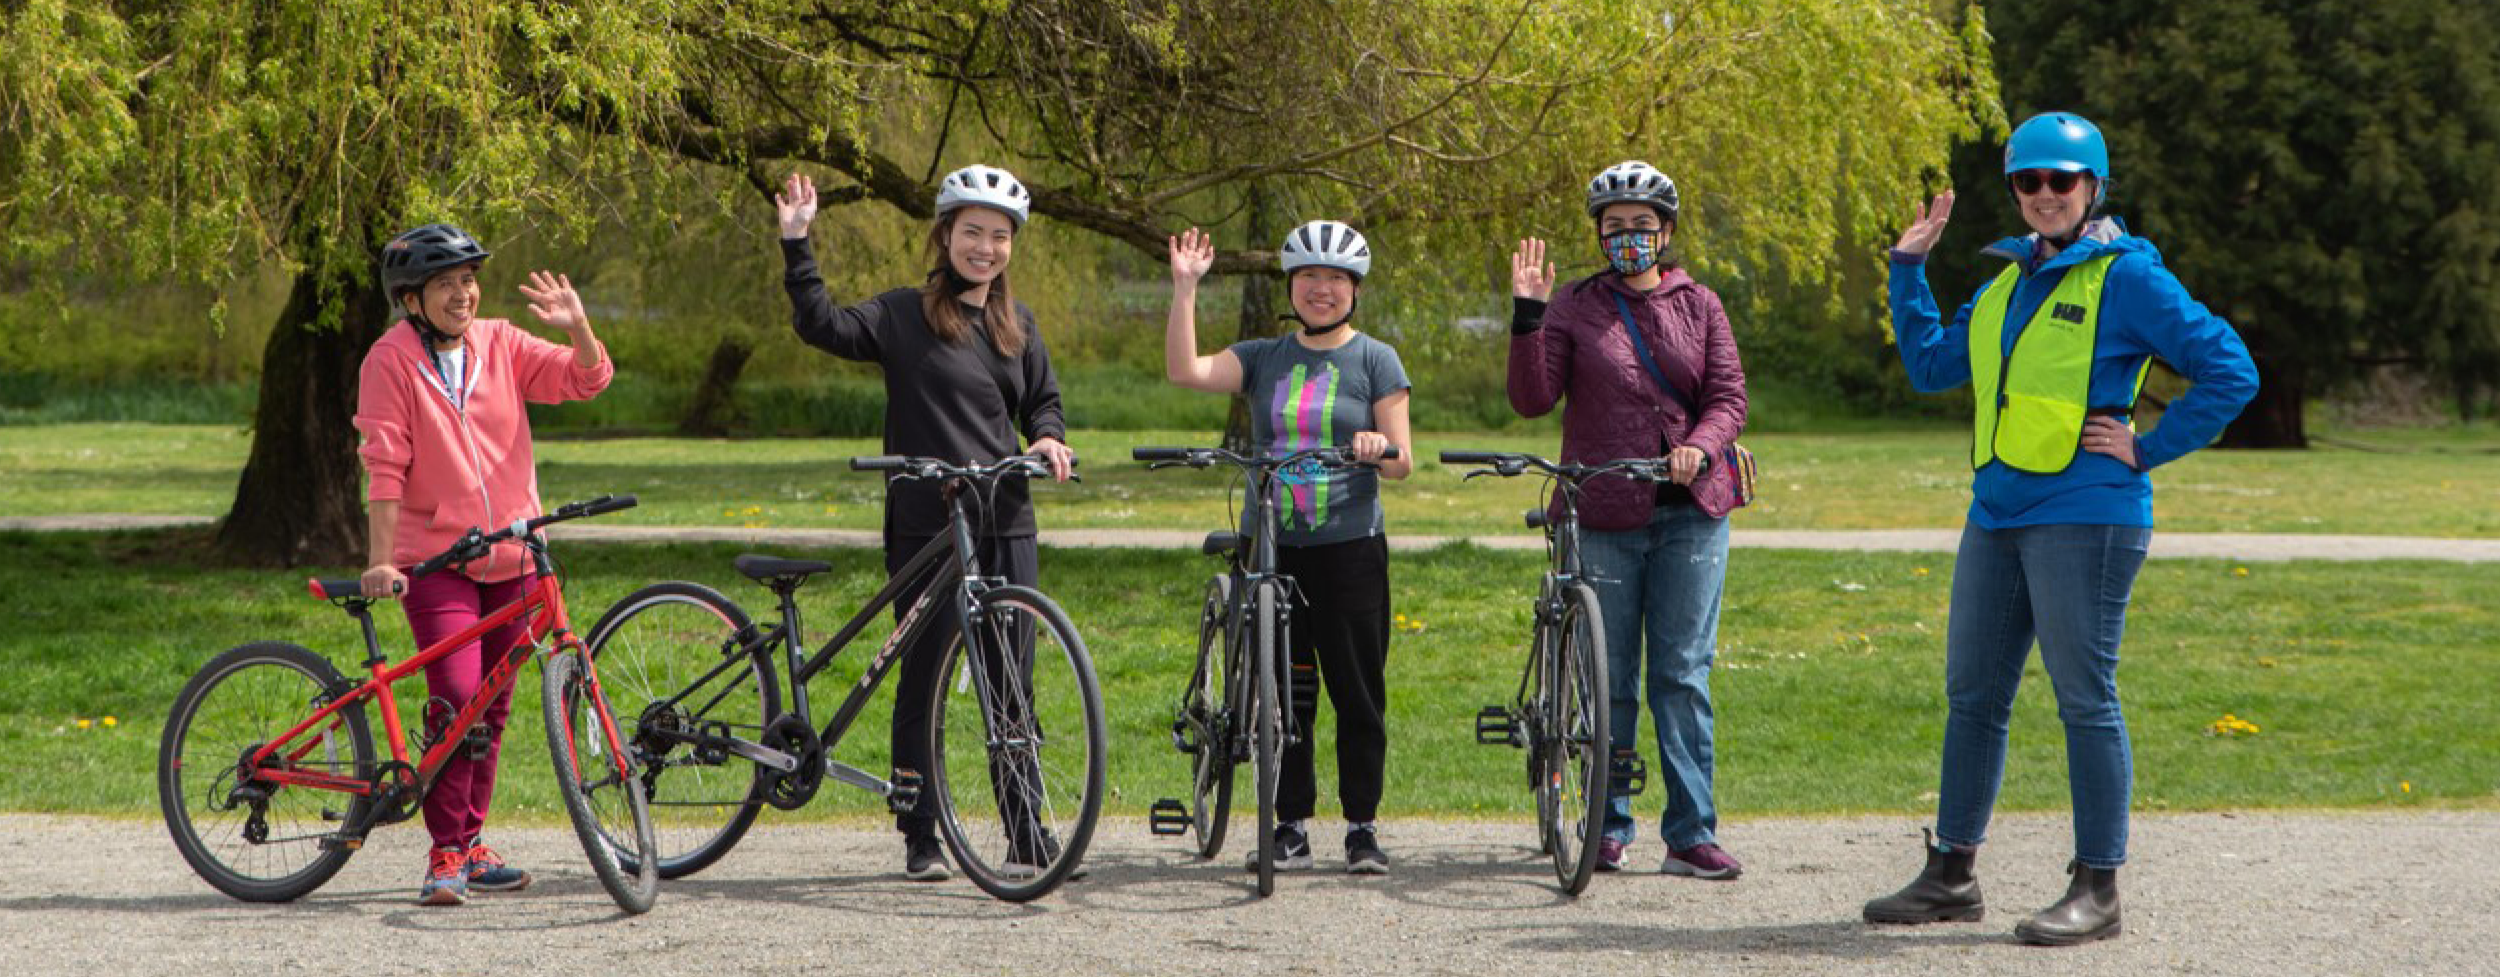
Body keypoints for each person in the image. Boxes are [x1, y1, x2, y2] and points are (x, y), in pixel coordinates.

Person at [1860, 112, 2257, 945]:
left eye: (2061, 181)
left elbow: (2231, 369)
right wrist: (1907, 269)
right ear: (2014, 190)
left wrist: (2148, 447)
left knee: (2084, 700)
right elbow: (1933, 364)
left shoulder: (2128, 277)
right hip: (1996, 511)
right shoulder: (2005, 280)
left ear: (2094, 188)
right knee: (1972, 696)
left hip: (2090, 515)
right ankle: (1951, 873)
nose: (2044, 195)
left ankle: (2098, 887)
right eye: (2028, 181)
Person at [775, 165, 1074, 882]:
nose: (985, 247)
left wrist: (1047, 436)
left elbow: (1044, 401)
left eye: (999, 236)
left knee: (1012, 681)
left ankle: (1026, 829)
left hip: (1004, 520)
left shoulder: (1018, 324)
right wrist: (797, 242)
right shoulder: (904, 315)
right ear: (945, 235)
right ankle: (921, 831)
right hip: (928, 523)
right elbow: (823, 324)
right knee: (925, 676)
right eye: (972, 231)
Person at [353, 223, 614, 906]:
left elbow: (584, 380)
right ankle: (443, 853)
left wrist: (579, 326)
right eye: (445, 284)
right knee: (457, 700)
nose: (462, 294)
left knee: (492, 708)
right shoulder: (389, 359)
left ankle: (470, 844)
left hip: (514, 555)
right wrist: (382, 560)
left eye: (468, 280)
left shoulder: (501, 342)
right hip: (437, 560)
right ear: (412, 299)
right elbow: (384, 465)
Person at [1505, 160, 1751, 880]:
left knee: (1682, 673)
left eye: (1643, 226)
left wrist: (1700, 449)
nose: (1629, 239)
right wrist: (1528, 314)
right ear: (1599, 236)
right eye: (1615, 228)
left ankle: (1691, 832)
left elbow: (1729, 397)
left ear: (1667, 232)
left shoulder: (1700, 303)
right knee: (1608, 678)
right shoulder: (1576, 306)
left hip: (1692, 514)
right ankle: (1607, 826)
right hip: (1604, 509)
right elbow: (1532, 399)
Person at [1164, 221, 1413, 874]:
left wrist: (1375, 448)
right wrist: (1185, 289)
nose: (1321, 289)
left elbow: (1401, 462)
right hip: (1271, 546)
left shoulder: (1376, 360)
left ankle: (1362, 827)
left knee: (1358, 692)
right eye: (1308, 277)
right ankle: (1291, 825)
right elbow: (1185, 371)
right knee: (1283, 692)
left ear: (1354, 289)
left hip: (1350, 548)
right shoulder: (1264, 355)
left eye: (1335, 278)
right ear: (1291, 287)